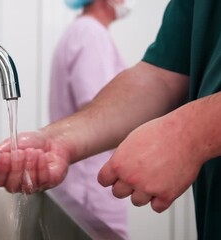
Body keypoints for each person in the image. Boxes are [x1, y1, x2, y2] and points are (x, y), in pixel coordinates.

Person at [0, 0, 221, 238]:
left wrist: (190, 133)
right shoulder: (91, 34)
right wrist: (59, 140)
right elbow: (162, 77)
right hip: (95, 189)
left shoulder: (81, 31)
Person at [47, 0, 132, 238]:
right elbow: (103, 112)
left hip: (83, 183)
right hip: (91, 186)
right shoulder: (90, 33)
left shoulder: (83, 31)